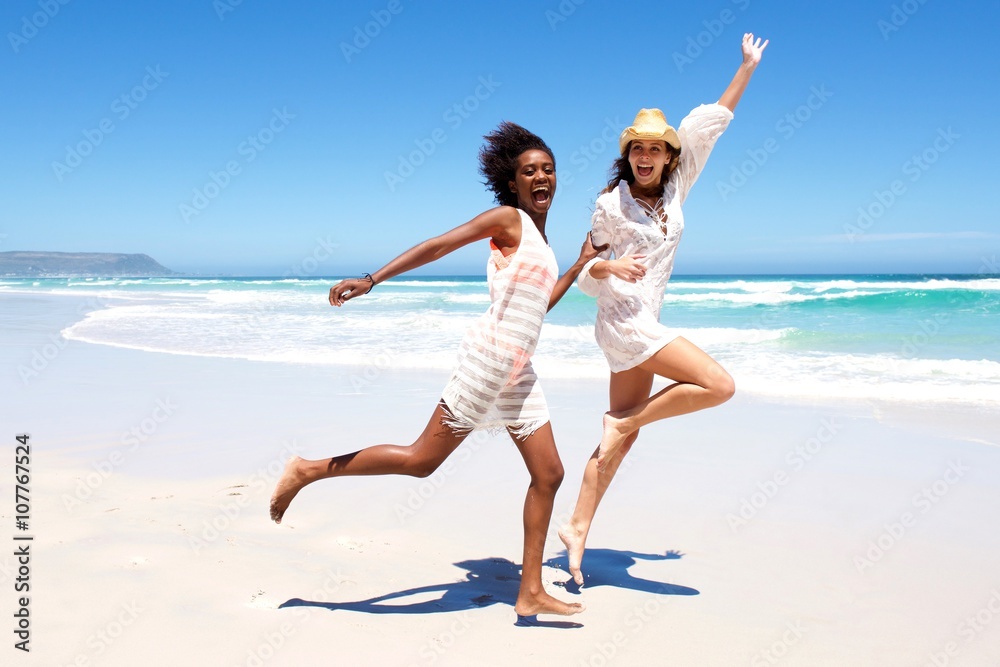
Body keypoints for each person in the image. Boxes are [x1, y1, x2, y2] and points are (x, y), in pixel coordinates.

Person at [269, 121, 603, 620]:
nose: (541, 177)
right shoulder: (509, 219)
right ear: (512, 182)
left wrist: (576, 266)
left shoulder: (541, 239)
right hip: (489, 362)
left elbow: (537, 308)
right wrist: (373, 279)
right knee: (421, 460)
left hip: (518, 372)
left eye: (548, 169)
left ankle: (530, 590)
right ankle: (307, 470)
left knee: (549, 473)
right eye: (530, 171)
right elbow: (439, 245)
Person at [558, 33, 768, 586]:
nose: (645, 157)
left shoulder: (677, 189)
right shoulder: (610, 205)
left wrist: (746, 68)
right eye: (638, 149)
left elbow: (711, 124)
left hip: (641, 321)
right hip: (622, 322)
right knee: (718, 385)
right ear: (627, 156)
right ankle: (625, 420)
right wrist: (610, 268)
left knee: (619, 443)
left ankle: (577, 527)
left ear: (669, 156)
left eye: (655, 149)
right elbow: (583, 271)